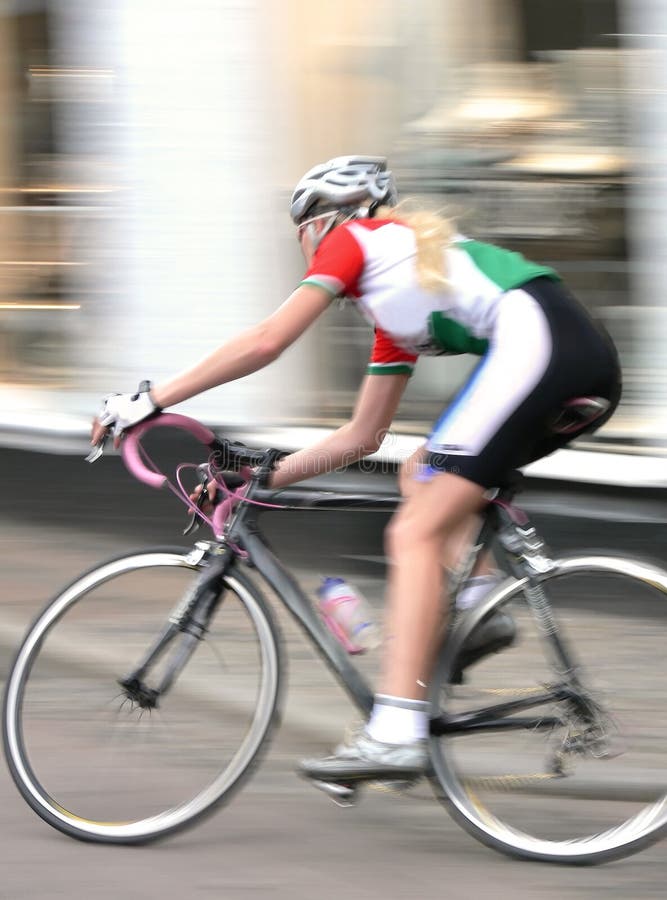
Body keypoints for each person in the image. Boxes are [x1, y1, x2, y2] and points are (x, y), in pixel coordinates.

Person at [92, 155, 621, 784]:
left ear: (325, 221)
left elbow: (267, 341)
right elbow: (361, 437)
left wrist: (149, 401)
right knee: (421, 472)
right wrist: (248, 476)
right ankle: (479, 607)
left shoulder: (358, 240)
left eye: (302, 234)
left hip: (542, 345)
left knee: (414, 533)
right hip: (575, 358)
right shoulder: (397, 301)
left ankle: (395, 732)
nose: (306, 250)